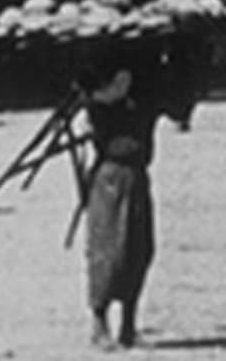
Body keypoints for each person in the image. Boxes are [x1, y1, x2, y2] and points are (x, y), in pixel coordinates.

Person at [79, 44, 176, 350]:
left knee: (139, 249)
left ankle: (129, 327)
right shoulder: (103, 99)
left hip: (137, 177)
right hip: (110, 177)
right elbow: (101, 101)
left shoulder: (145, 98)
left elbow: (175, 107)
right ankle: (99, 324)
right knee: (109, 250)